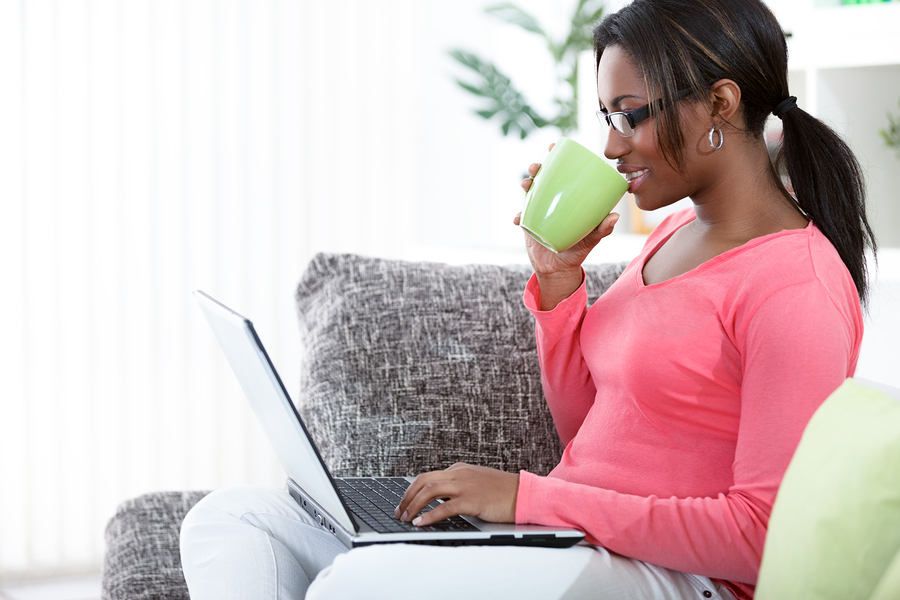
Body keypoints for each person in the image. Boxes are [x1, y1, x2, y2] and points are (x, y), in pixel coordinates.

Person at [179, 0, 876, 598]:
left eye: (629, 115)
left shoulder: (797, 287)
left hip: (671, 577)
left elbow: (762, 535)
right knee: (231, 519)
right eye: (606, 115)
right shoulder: (670, 234)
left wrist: (526, 497)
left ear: (719, 105)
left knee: (358, 586)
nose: (610, 145)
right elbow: (590, 435)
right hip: (570, 541)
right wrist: (559, 281)